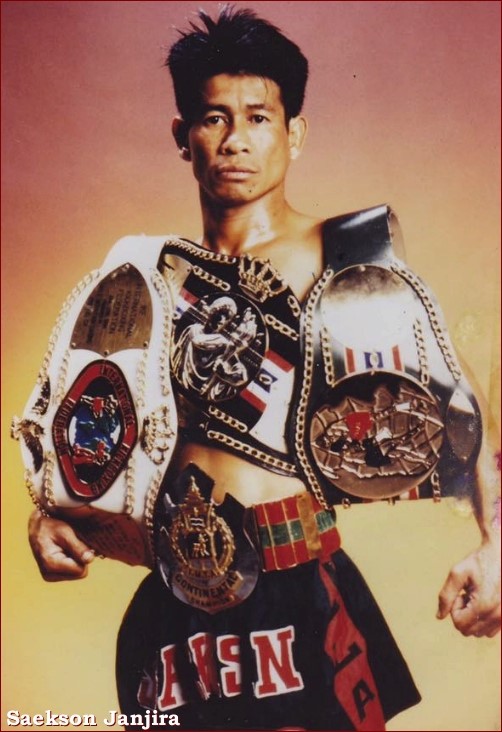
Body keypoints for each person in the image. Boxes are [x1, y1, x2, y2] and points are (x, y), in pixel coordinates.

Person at [23, 6, 500, 731]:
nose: (236, 140)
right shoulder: (144, 277)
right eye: (214, 118)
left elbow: (460, 411)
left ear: (294, 134)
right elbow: (96, 440)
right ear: (182, 136)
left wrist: (498, 547)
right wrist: (50, 519)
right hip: (173, 608)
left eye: (258, 118)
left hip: (299, 591)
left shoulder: (348, 257)